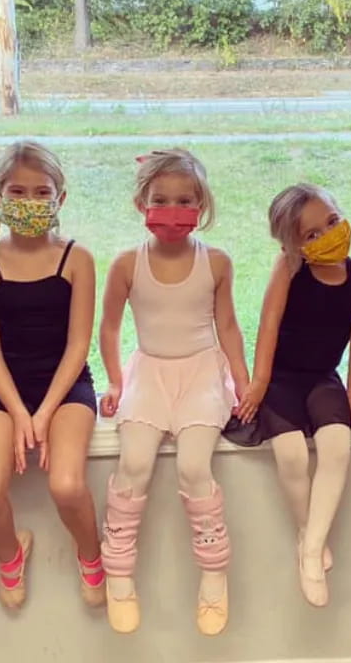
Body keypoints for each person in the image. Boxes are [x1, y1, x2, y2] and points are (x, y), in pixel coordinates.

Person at [98, 149, 248, 635]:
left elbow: (228, 326)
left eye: (185, 200)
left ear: (202, 205)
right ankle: (118, 573)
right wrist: (116, 380)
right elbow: (109, 327)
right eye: (160, 200)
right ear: (141, 203)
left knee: (194, 466)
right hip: (149, 375)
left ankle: (214, 572)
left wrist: (242, 382)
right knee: (134, 464)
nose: (173, 209)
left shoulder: (217, 262)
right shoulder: (126, 264)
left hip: (202, 374)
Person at [0, 142, 105, 612]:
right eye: (17, 192)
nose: (29, 201)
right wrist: (20, 413)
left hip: (66, 388)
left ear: (60, 198)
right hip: (6, 391)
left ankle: (91, 555)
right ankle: (11, 553)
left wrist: (42, 414)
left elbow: (78, 346)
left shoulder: (78, 258)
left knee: (66, 485)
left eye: (41, 192)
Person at [225, 183, 351, 607]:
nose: (328, 234)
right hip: (280, 379)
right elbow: (269, 324)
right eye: (312, 234)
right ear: (293, 246)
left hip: (322, 378)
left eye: (332, 221)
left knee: (337, 447)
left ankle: (311, 549)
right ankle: (306, 531)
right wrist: (259, 382)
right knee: (291, 454)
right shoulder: (289, 270)